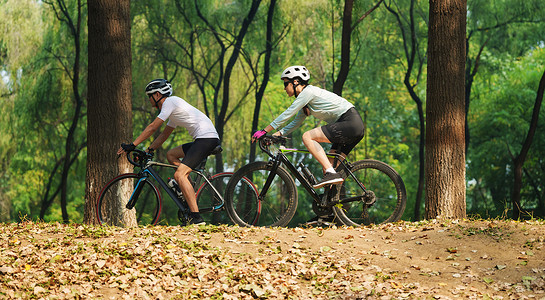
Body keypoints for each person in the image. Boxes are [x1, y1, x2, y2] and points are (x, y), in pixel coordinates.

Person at [117, 79, 220, 225]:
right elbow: (163, 135)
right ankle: (185, 190)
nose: (149, 100)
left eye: (150, 96)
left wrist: (132, 145)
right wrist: (149, 150)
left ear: (157, 94)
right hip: (203, 138)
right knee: (171, 154)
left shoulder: (170, 102)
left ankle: (197, 219)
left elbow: (153, 127)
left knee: (179, 174)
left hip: (206, 139)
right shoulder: (173, 110)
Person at [252, 66, 364, 189]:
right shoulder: (306, 101)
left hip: (349, 122)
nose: (284, 88)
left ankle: (330, 173)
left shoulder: (308, 92)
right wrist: (275, 136)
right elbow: (296, 122)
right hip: (352, 126)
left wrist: (264, 130)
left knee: (307, 137)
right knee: (329, 167)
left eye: (285, 84)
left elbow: (289, 113)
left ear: (295, 82)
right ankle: (333, 205)